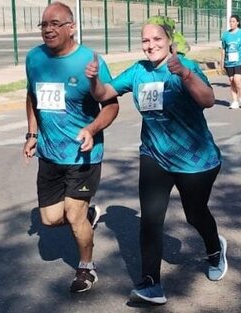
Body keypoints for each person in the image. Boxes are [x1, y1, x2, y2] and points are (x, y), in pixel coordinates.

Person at [85, 16, 227, 305]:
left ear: (170, 41)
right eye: (146, 41)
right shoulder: (138, 71)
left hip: (195, 159)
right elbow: (105, 93)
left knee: (195, 214)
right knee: (150, 219)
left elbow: (208, 99)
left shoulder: (185, 66)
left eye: (157, 39)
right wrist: (93, 79)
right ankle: (151, 284)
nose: (150, 46)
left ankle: (215, 250)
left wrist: (186, 76)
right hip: (155, 155)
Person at [23, 1, 119, 293]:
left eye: (55, 24)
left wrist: (91, 129)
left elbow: (111, 105)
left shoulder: (90, 60)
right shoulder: (34, 58)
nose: (48, 30)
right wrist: (31, 134)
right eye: (44, 24)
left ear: (71, 27)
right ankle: (89, 217)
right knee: (50, 219)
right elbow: (32, 95)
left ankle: (86, 268)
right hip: (50, 154)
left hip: (83, 153)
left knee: (74, 217)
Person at [220, 14, 241, 109]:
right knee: (231, 81)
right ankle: (234, 101)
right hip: (229, 62)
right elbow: (223, 49)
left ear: (237, 22)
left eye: (233, 21)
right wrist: (222, 61)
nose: (231, 23)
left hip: (239, 61)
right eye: (230, 21)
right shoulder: (225, 35)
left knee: (237, 80)